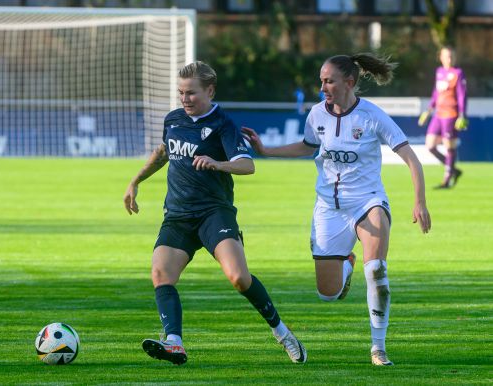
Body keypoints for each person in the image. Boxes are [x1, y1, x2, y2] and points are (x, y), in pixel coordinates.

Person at [242, 53, 431, 366]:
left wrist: (420, 201)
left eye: (328, 81)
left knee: (377, 270)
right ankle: (347, 264)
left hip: (368, 201)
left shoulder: (373, 116)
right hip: (329, 209)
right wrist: (266, 150)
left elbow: (411, 158)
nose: (323, 86)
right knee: (327, 293)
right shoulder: (317, 114)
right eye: (321, 80)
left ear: (349, 82)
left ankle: (378, 348)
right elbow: (306, 146)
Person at [123, 61, 306, 366]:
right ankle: (174, 343)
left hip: (214, 214)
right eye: (181, 92)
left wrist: (218, 163)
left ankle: (283, 333)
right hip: (178, 216)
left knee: (238, 278)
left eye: (191, 93)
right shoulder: (174, 119)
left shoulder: (223, 125)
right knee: (161, 274)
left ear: (209, 90)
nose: (185, 99)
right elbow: (164, 152)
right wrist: (135, 181)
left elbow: (248, 164)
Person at [418, 46, 468, 189]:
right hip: (438, 114)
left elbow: (462, 95)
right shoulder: (439, 72)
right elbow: (436, 92)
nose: (449, 59)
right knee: (430, 145)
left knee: (449, 146)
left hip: (451, 114)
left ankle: (447, 179)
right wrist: (428, 110)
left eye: (452, 56)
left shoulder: (458, 73)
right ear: (441, 57)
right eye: (447, 56)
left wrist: (462, 115)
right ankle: (454, 169)